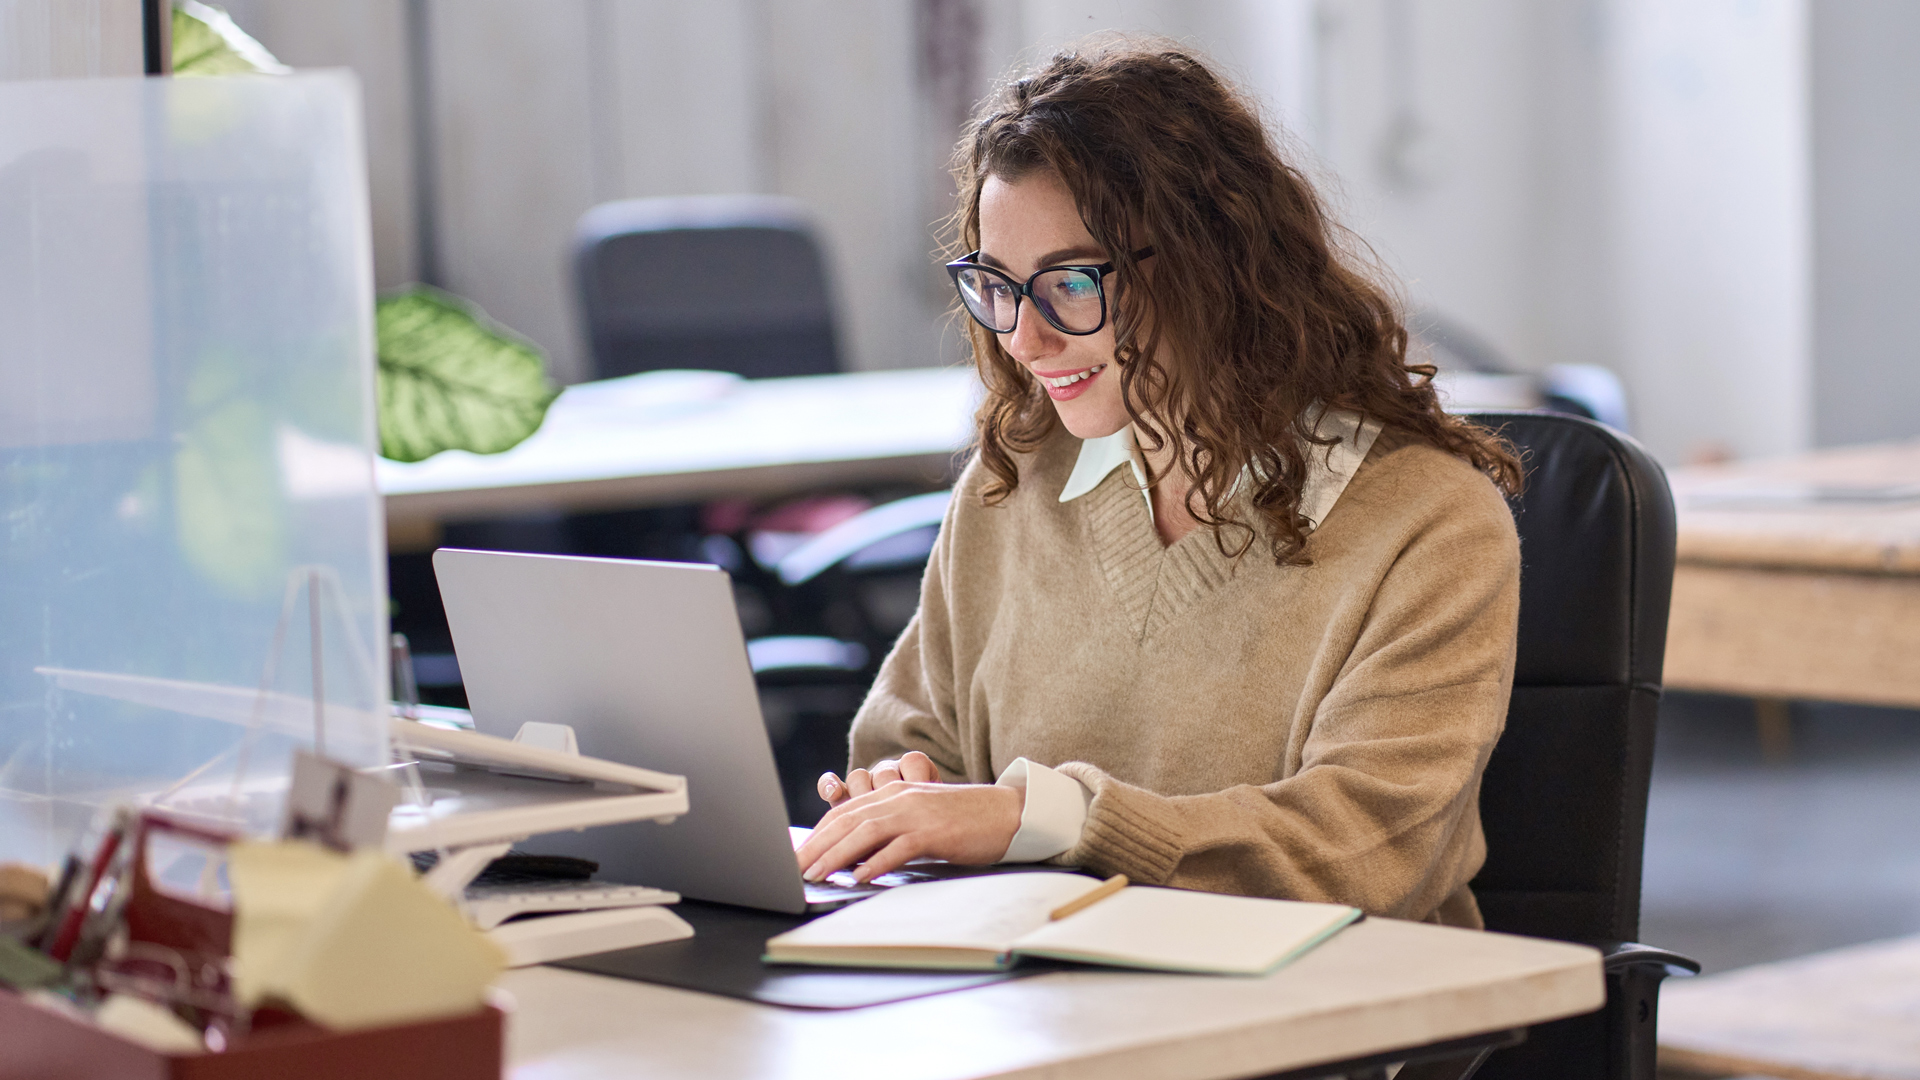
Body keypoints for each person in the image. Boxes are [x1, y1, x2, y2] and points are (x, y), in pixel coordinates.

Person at [793, 38, 1523, 927]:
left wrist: (1042, 819)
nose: (1024, 340)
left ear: (1211, 263)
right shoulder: (1011, 486)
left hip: (1316, 1018)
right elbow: (911, 743)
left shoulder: (1428, 523)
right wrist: (905, 796)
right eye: (997, 285)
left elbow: (1366, 851)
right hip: (1033, 998)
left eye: (1068, 282)